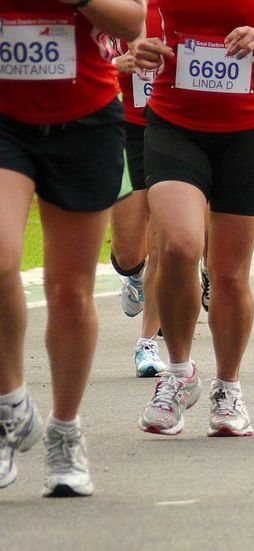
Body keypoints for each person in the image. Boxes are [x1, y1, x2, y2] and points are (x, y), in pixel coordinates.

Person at [132, 0, 254, 437]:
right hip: (174, 120)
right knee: (178, 246)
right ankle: (178, 373)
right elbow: (129, 15)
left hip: (250, 127)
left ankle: (228, 388)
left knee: (230, 274)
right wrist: (138, 43)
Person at [0, 0, 144, 497]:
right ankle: (10, 404)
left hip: (85, 121)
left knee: (69, 291)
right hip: (5, 121)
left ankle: (65, 432)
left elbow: (133, 20)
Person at [110, 0, 166, 378]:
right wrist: (118, 64)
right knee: (130, 252)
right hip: (126, 127)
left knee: (162, 237)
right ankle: (134, 275)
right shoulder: (113, 8)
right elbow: (84, 60)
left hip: (173, 127)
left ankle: (147, 343)